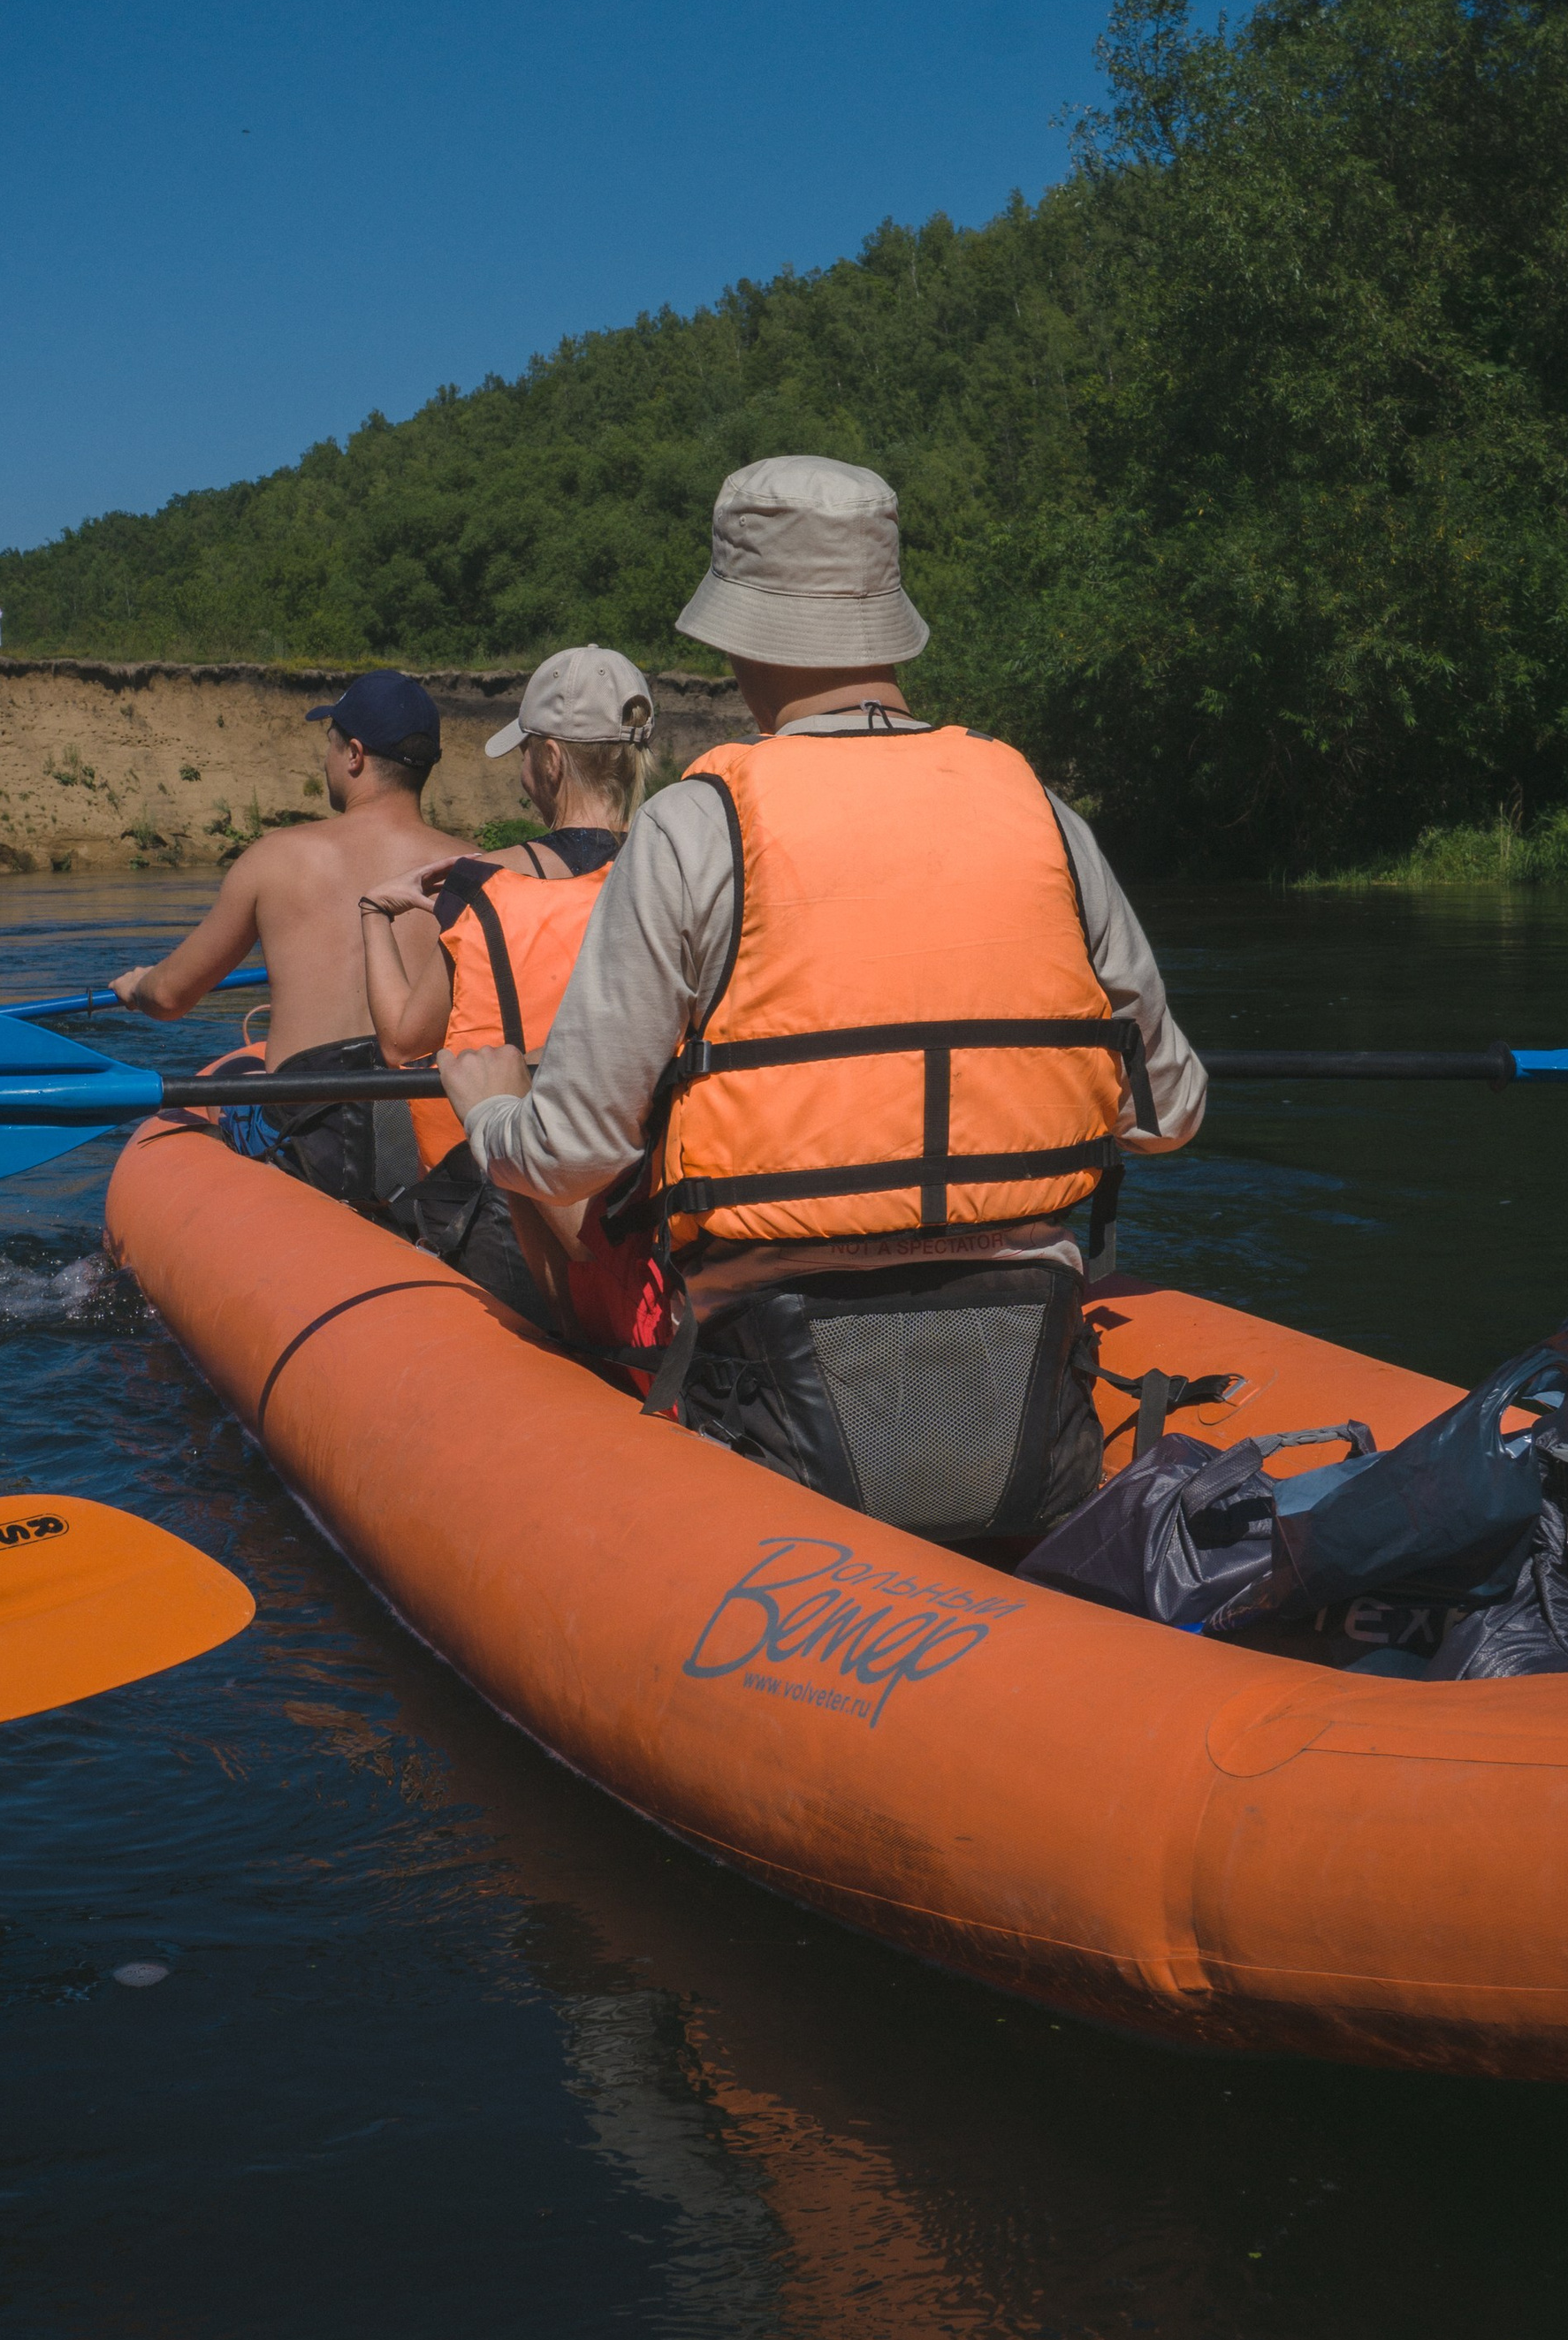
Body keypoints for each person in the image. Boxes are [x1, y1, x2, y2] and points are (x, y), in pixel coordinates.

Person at [438, 456, 1206, 1542]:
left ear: (742, 635)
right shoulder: (1038, 809)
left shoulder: (696, 826)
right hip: (1033, 1429)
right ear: (886, 624)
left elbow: (571, 1153)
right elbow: (1168, 1115)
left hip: (784, 1429)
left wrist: (484, 1112)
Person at [361, 647, 658, 1331]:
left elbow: (403, 1042)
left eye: (525, 753)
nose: (523, 772)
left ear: (550, 761)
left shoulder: (480, 885)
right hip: (640, 1195)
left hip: (506, 1206)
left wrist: (376, 913)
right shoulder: (672, 874)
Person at [110, 669, 447, 1208]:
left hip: (307, 1142)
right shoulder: (479, 870)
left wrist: (139, 988)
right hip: (428, 1135)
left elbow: (172, 997)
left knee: (235, 1078)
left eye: (330, 744)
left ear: (354, 755)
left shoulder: (276, 858)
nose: (328, 759)